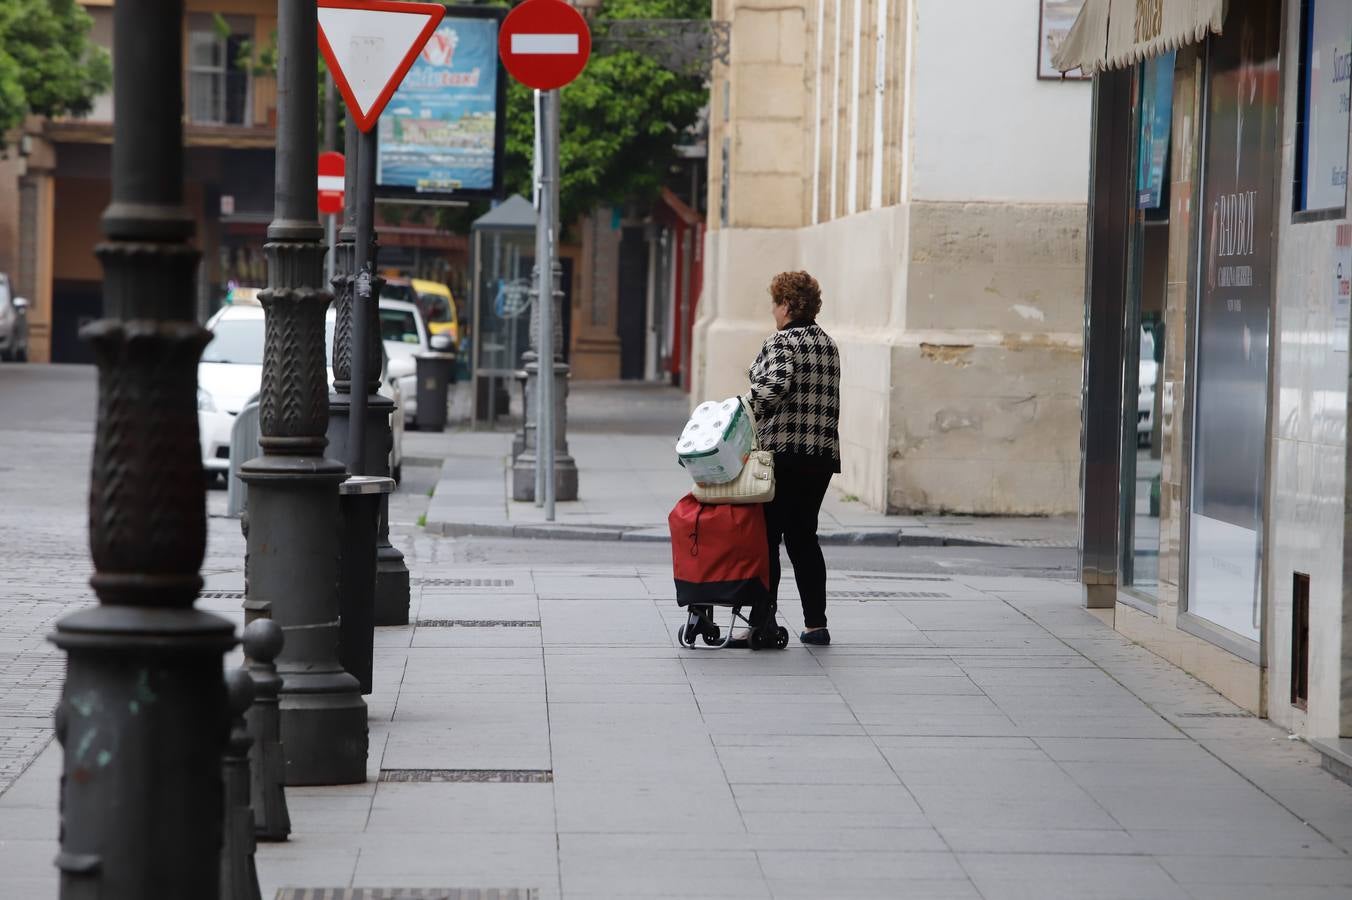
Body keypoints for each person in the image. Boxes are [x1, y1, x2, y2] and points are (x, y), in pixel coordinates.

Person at [745, 271, 841, 646]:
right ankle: (816, 625)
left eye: (775, 303)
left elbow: (774, 388)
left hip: (782, 455)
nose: (772, 310)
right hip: (820, 457)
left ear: (787, 305)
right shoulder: (828, 344)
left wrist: (743, 405)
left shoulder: (782, 342)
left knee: (767, 538)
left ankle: (760, 622)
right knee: (804, 538)